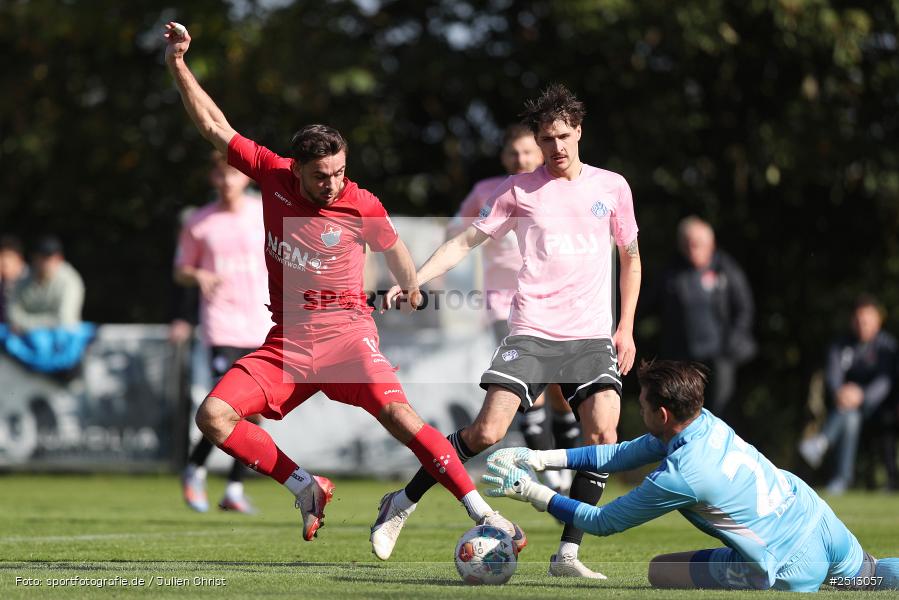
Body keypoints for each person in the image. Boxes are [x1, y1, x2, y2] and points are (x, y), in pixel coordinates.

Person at [162, 22, 521, 545]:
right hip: (288, 344)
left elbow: (393, 247)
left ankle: (484, 513)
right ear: (298, 169)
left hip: (348, 337)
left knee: (402, 417)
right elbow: (215, 126)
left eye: (340, 172)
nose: (333, 184)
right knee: (213, 416)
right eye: (321, 175)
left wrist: (410, 284)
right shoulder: (272, 175)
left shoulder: (361, 201)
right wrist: (177, 64)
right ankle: (306, 487)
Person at [371, 84, 641, 578]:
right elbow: (465, 242)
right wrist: (413, 280)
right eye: (546, 139)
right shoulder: (518, 190)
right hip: (532, 331)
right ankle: (401, 502)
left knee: (603, 433)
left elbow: (630, 256)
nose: (555, 147)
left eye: (563, 136)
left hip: (591, 336)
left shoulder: (612, 187)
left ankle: (568, 555)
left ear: (579, 132)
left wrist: (625, 327)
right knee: (485, 432)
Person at [483, 359, 899, 592]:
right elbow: (619, 453)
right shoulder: (705, 422)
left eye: (643, 405)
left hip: (784, 565)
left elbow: (603, 522)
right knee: (875, 576)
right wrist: (539, 457)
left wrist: (529, 491)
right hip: (817, 517)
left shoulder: (681, 476)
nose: (638, 411)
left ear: (662, 415)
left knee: (659, 572)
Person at [447, 124, 580, 493]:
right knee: (529, 384)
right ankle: (549, 472)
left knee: (559, 388)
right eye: (513, 153)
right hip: (504, 304)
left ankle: (567, 462)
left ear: (539, 153)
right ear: (504, 157)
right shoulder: (487, 192)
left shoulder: (562, 189)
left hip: (554, 300)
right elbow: (457, 234)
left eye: (527, 152)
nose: (520, 159)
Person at [176, 152, 275, 514]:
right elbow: (180, 270)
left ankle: (233, 488)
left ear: (246, 178)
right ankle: (195, 469)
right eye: (221, 174)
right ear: (213, 178)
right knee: (227, 407)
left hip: (262, 323)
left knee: (255, 412)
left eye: (233, 173)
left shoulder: (265, 211)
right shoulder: (199, 222)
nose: (228, 180)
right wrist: (198, 275)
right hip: (222, 325)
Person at [650, 216, 755, 416]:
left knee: (721, 412)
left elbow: (744, 307)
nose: (693, 249)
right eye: (688, 244)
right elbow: (648, 304)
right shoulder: (671, 273)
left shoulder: (725, 268)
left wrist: (733, 341)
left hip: (720, 357)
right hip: (682, 360)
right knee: (684, 413)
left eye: (698, 244)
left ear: (711, 244)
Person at [800, 295, 897, 494]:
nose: (863, 325)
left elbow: (885, 382)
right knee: (851, 417)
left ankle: (822, 442)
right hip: (845, 408)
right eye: (859, 321)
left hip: (879, 409)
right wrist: (841, 393)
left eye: (867, 321)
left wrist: (861, 395)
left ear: (878, 320)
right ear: (853, 321)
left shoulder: (887, 347)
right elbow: (833, 376)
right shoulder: (840, 345)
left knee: (850, 413)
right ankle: (841, 479)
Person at [6, 235, 84, 333]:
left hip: (63, 339)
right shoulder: (24, 278)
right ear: (34, 258)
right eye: (41, 257)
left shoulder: (70, 280)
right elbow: (12, 315)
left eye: (49, 257)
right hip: (25, 336)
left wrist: (26, 324)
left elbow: (64, 319)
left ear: (59, 258)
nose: (44, 262)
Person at [0, 235, 27, 323]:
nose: (3, 262)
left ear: (19, 259)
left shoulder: (30, 279)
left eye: (7, 257)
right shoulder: (3, 281)